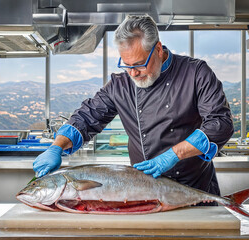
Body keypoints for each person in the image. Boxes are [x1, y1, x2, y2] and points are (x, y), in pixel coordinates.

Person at [33, 14, 234, 200]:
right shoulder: (120, 85)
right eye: (126, 65)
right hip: (144, 191)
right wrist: (56, 147)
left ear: (158, 49)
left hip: (195, 189)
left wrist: (175, 154)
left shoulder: (196, 73)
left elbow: (220, 123)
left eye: (139, 64)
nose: (133, 74)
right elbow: (86, 117)